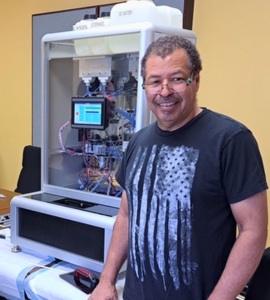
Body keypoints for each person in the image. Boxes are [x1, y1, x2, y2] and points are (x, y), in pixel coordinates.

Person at [89, 36, 268, 300]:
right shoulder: (138, 141)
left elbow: (253, 231)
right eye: (154, 81)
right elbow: (127, 216)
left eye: (176, 79)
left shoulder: (230, 140)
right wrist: (107, 280)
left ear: (195, 80)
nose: (164, 92)